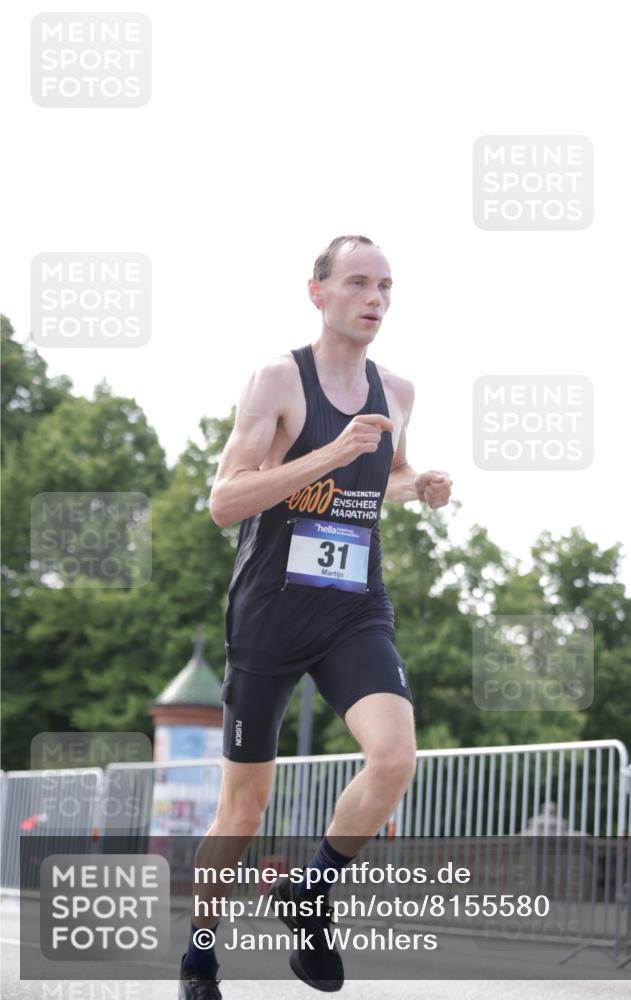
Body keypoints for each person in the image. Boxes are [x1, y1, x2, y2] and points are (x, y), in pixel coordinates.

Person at [179, 235, 452, 998]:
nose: (375, 298)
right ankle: (199, 958)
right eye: (359, 282)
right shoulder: (277, 381)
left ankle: (309, 890)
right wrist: (326, 455)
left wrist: (418, 485)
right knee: (242, 810)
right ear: (318, 292)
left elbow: (386, 476)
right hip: (269, 612)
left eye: (386, 286)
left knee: (395, 758)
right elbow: (224, 501)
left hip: (352, 609)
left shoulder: (396, 391)